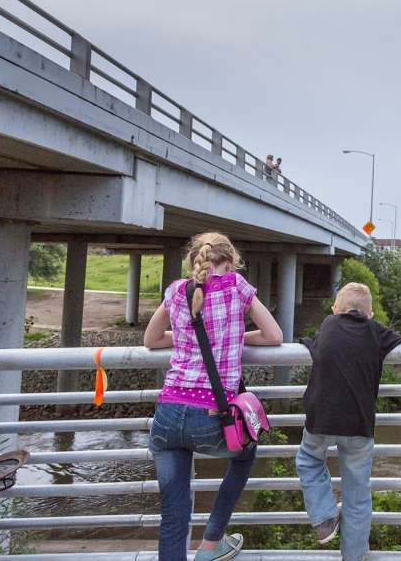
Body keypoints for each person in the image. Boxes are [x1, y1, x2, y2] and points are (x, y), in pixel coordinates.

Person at [144, 232, 283, 561]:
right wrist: (236, 336)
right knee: (245, 454)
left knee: (173, 513)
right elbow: (274, 335)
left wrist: (184, 337)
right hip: (208, 418)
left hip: (167, 413)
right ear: (232, 262)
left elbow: (150, 339)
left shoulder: (177, 291)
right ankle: (211, 544)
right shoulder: (237, 287)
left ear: (193, 261)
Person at [295, 282, 401, 561]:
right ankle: (354, 555)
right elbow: (398, 341)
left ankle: (325, 517)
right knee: (357, 493)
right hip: (359, 423)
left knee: (308, 460)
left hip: (320, 419)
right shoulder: (374, 331)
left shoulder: (328, 325)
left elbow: (311, 345)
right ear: (370, 314)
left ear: (335, 309)